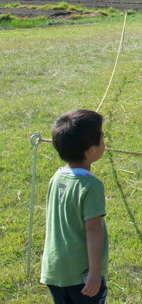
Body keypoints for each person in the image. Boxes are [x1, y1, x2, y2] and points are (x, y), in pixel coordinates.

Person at [40, 109, 109, 303]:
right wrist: (95, 274)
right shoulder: (91, 186)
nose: (105, 141)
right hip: (81, 275)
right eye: (102, 137)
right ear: (90, 150)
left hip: (54, 270)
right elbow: (93, 231)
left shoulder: (57, 177)